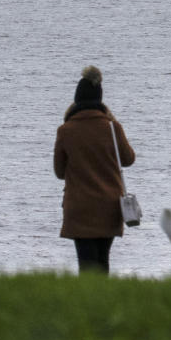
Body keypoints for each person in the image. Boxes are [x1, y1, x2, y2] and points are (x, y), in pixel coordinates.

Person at [54, 65, 135, 274]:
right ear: (100, 99)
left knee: (86, 264)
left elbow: (59, 172)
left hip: (79, 209)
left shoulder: (66, 130)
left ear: (77, 100)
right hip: (109, 208)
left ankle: (88, 303)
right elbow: (128, 159)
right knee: (103, 261)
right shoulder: (112, 127)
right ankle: (103, 303)